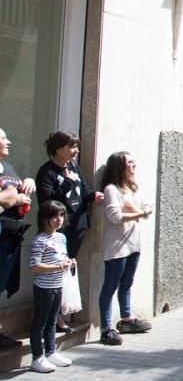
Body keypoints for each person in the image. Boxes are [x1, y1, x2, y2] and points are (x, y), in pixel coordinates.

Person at [35, 131, 99, 331]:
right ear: (58, 149)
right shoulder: (47, 172)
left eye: (76, 146)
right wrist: (67, 183)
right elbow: (48, 201)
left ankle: (60, 313)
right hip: (58, 232)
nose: (76, 151)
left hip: (78, 226)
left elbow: (84, 191)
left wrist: (94, 196)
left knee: (67, 270)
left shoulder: (73, 167)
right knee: (56, 272)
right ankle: (55, 318)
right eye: (71, 147)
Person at [98, 151, 153, 346]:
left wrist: (134, 211)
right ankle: (106, 328)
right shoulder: (112, 189)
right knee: (110, 285)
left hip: (134, 243)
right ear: (120, 166)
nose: (134, 165)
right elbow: (114, 217)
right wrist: (138, 213)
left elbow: (148, 208)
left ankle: (127, 319)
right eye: (130, 162)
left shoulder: (133, 188)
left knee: (127, 282)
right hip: (117, 245)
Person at [28, 200, 75, 373]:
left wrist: (69, 263)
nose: (58, 219)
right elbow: (34, 266)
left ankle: (50, 351)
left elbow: (62, 257)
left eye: (61, 215)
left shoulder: (61, 237)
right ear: (45, 218)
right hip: (44, 287)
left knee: (52, 320)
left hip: (58, 285)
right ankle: (37, 357)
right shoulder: (39, 240)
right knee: (40, 321)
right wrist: (59, 266)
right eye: (54, 216)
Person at [0, 127, 36, 349]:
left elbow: (14, 190)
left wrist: (27, 183)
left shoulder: (8, 167)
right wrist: (11, 198)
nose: (9, 142)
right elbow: (9, 195)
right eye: (3, 138)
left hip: (10, 240)